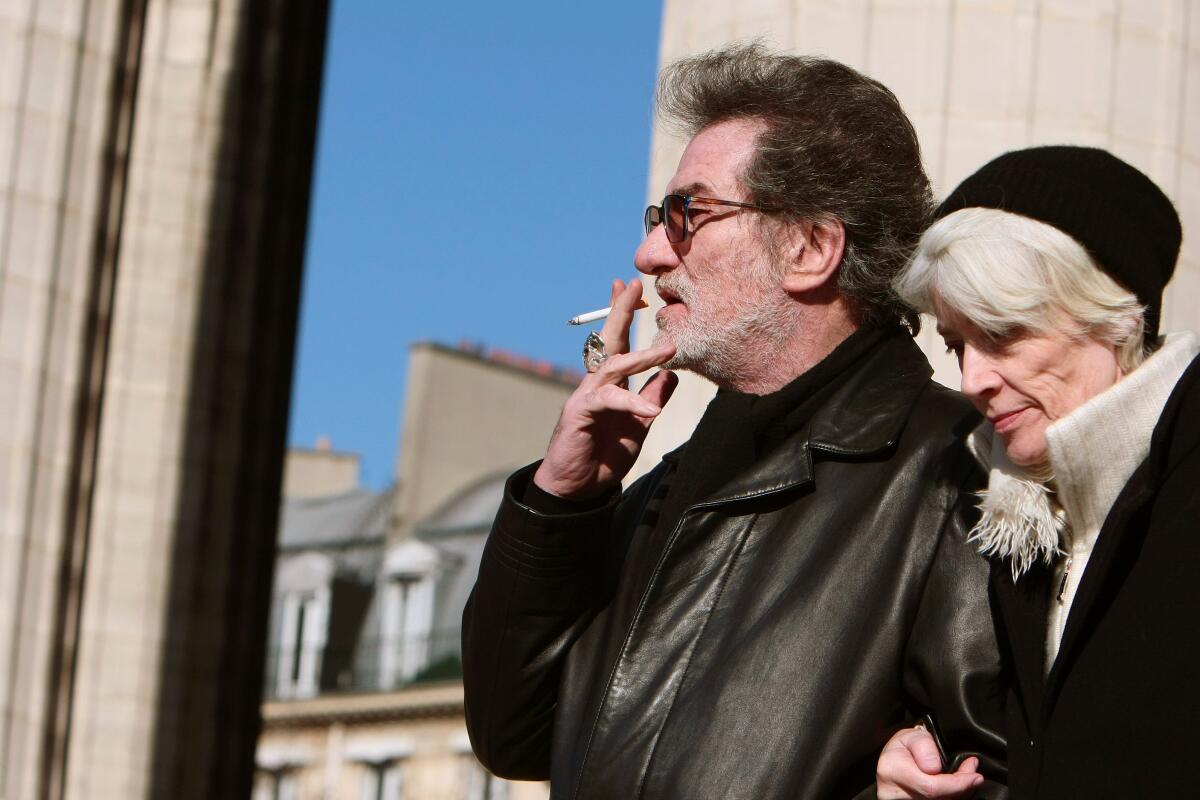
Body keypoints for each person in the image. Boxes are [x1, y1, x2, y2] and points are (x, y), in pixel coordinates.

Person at [463, 44, 1005, 799]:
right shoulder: (674, 480)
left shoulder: (957, 474)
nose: (649, 253)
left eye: (690, 215)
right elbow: (514, 732)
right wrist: (563, 502)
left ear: (811, 248)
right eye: (661, 218)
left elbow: (1004, 773)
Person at [876, 145, 1199, 799]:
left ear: (1111, 314)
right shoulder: (1024, 517)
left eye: (1002, 332)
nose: (972, 381)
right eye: (957, 344)